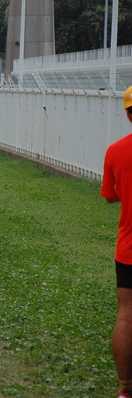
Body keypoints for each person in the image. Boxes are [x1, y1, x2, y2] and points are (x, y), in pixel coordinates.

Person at [101, 86, 132, 398]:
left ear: (127, 113)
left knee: (127, 314)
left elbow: (110, 197)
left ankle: (125, 389)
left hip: (128, 249)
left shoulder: (116, 151)